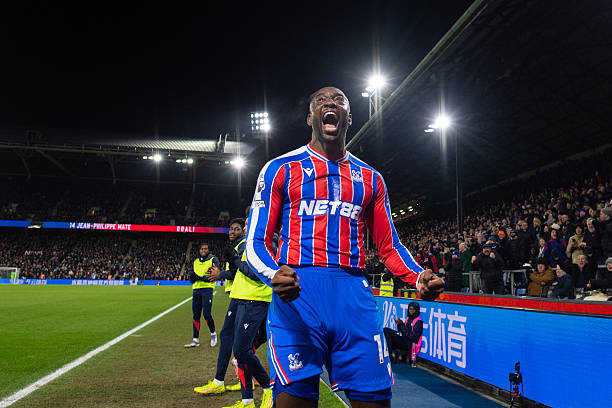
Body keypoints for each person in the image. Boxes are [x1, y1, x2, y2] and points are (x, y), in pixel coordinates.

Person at [245, 86, 444, 408]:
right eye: (321, 101)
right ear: (310, 118)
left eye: (339, 100)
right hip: (298, 297)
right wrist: (272, 274)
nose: (330, 103)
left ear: (349, 118)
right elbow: (256, 241)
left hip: (354, 299)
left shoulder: (371, 178)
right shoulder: (279, 168)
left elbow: (389, 245)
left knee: (375, 401)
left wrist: (418, 276)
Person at [195, 217, 274, 408]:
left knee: (241, 350)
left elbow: (255, 274)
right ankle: (247, 401)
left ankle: (269, 388)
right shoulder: (250, 243)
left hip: (255, 299)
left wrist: (234, 261)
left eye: (245, 224)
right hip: (242, 297)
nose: (244, 228)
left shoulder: (262, 243)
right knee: (240, 350)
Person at [193, 219, 247, 395]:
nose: (232, 232)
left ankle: (223, 381)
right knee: (239, 340)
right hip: (238, 294)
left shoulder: (242, 246)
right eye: (231, 229)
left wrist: (220, 274)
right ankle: (237, 381)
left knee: (234, 338)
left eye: (237, 229)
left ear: (243, 231)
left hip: (244, 296)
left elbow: (240, 271)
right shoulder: (235, 246)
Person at [185, 243, 219, 348]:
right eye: (202, 249)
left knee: (207, 314)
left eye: (205, 249)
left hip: (207, 289)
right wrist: (199, 277)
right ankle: (195, 339)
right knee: (196, 315)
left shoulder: (213, 259)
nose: (203, 250)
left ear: (208, 250)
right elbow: (191, 278)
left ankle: (213, 334)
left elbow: (212, 277)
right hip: (196, 290)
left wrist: (198, 277)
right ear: (199, 250)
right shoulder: (195, 262)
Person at [383, 302, 423, 367]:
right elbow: (402, 331)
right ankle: (389, 355)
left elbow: (413, 338)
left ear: (417, 310)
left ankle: (390, 357)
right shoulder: (408, 318)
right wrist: (399, 325)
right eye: (410, 309)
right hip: (404, 339)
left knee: (388, 333)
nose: (411, 311)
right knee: (386, 330)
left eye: (413, 309)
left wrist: (402, 324)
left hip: (410, 344)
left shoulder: (419, 322)